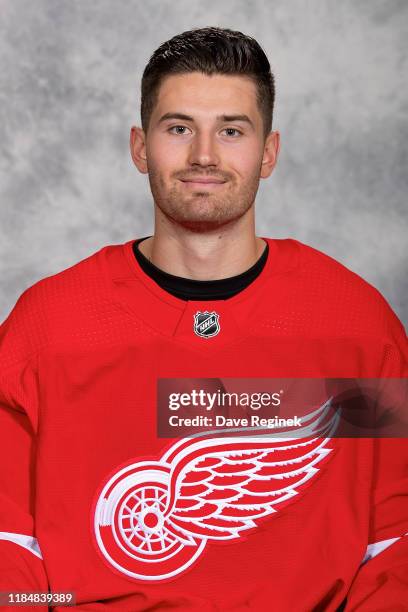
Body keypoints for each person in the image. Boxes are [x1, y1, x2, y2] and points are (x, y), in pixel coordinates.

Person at [0, 26, 407, 611]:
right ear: (140, 146)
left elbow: (396, 545)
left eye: (232, 131)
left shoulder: (359, 326)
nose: (204, 156)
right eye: (179, 128)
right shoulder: (47, 326)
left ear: (268, 152)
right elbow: (10, 546)